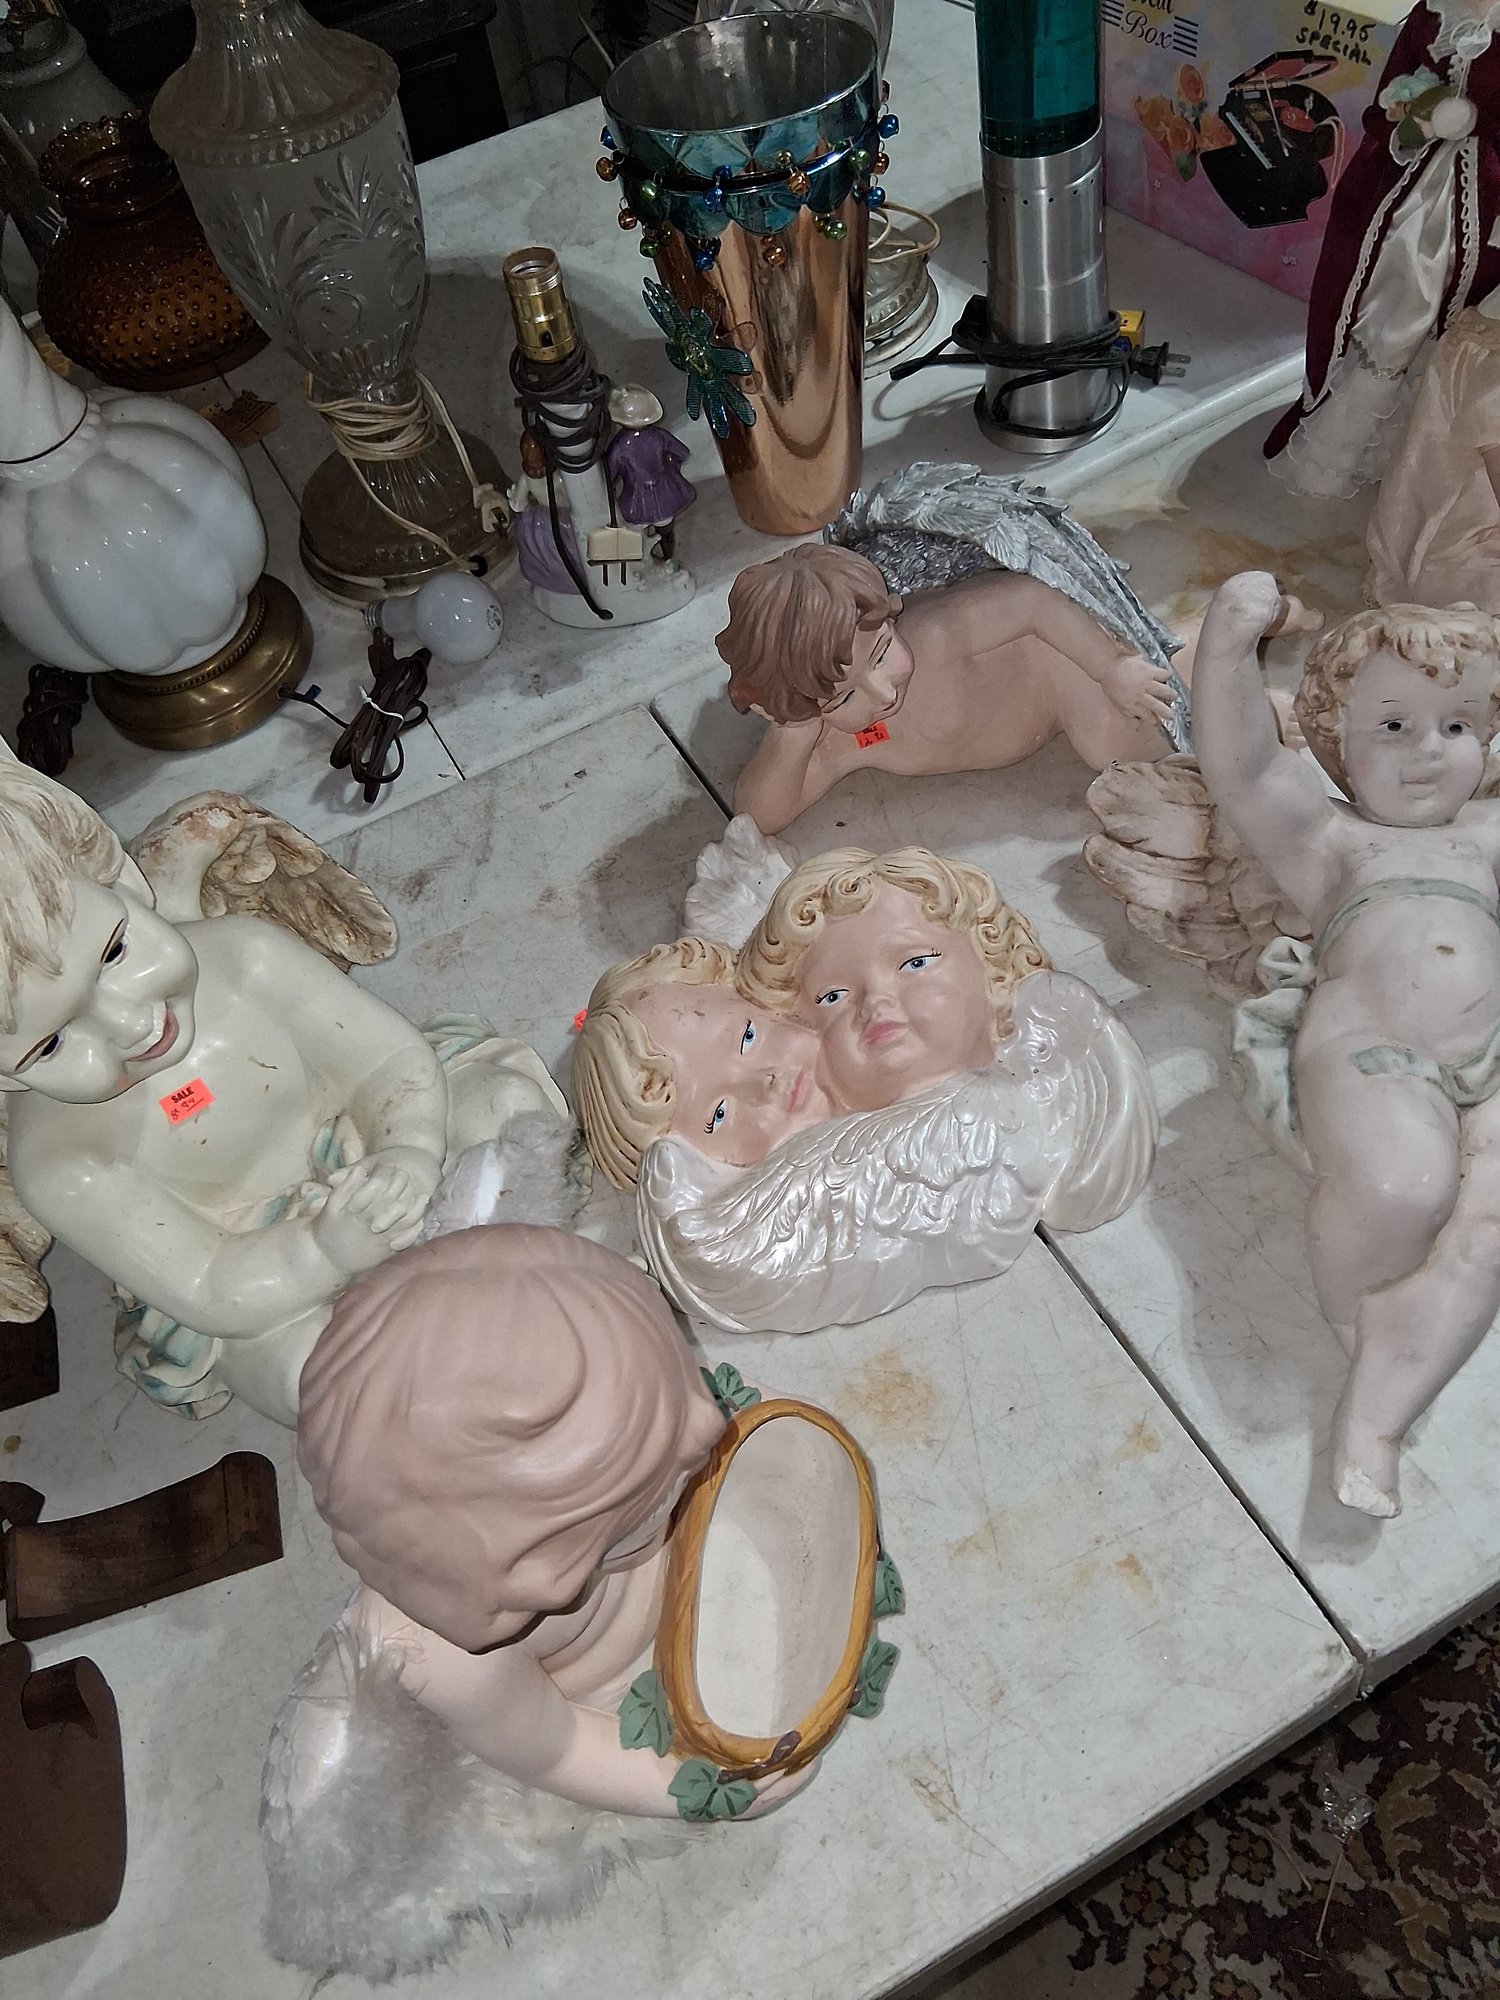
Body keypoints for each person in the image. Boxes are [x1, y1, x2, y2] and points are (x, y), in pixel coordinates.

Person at [0, 764, 562, 1423]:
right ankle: (443, 1400)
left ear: (122, 879)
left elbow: (385, 1064)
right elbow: (207, 1281)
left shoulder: (245, 957)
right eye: (52, 1044)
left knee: (502, 1105)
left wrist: (407, 1150)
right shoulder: (59, 1162)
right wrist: (323, 1249)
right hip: (255, 1258)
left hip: (362, 1132)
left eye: (114, 953)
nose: (131, 1026)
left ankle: (537, 1276)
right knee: (307, 1379)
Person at [1193, 573, 1500, 1518]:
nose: (1429, 751)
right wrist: (1227, 643)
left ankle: (1377, 1415)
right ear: (1334, 737)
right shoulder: (1331, 840)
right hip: (1374, 1047)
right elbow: (1244, 767)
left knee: (1493, 1228)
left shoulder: (1488, 834)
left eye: (1458, 724)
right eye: (1393, 726)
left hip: (1493, 1055)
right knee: (1405, 1189)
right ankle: (1361, 1316)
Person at [716, 543, 1205, 834]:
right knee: (1131, 726)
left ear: (890, 614)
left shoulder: (936, 635)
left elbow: (1031, 601)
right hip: (1040, 716)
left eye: (882, 654)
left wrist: (1109, 667)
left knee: (1112, 742)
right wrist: (793, 734)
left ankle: (1215, 654)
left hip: (1056, 660)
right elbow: (758, 816)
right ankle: (1212, 644)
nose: (882, 694)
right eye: (844, 697)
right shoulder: (841, 739)